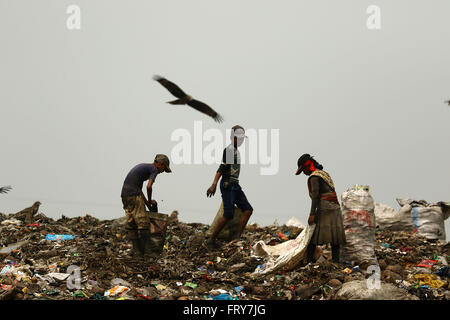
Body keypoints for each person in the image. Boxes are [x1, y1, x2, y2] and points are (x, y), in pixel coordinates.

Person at [206, 125, 253, 248]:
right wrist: (214, 184)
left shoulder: (236, 151)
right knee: (228, 214)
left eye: (243, 138)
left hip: (235, 184)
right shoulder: (230, 150)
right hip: (228, 184)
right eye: (239, 138)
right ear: (233, 137)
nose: (241, 140)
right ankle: (211, 240)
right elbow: (222, 167)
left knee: (248, 209)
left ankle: (236, 237)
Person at [295, 154, 346, 264]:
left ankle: (309, 262)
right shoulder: (324, 174)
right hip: (335, 207)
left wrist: (312, 214)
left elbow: (315, 196)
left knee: (312, 236)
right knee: (335, 236)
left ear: (308, 166)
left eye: (303, 170)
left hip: (325, 208)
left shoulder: (314, 177)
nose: (304, 173)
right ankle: (336, 261)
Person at [121, 154, 171, 259]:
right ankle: (148, 252)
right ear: (160, 164)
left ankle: (137, 252)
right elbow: (149, 186)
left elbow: (139, 190)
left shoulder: (144, 168)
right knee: (143, 223)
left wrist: (148, 204)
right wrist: (149, 200)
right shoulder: (154, 169)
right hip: (134, 195)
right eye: (164, 168)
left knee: (132, 223)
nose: (162, 171)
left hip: (125, 195)